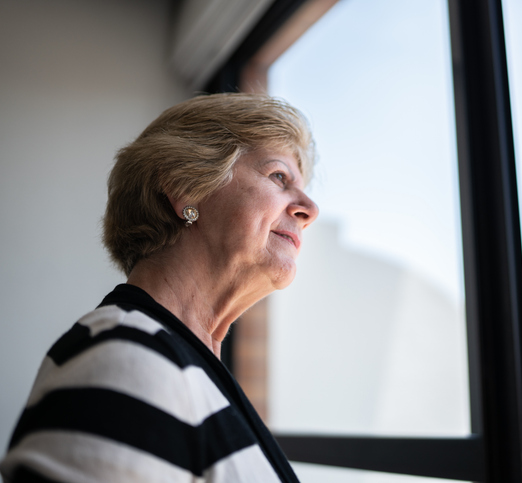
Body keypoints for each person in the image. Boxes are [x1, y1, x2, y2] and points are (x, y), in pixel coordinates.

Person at [0, 93, 319, 482]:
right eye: (278, 177)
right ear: (186, 188)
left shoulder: (177, 363)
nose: (309, 208)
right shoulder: (124, 354)